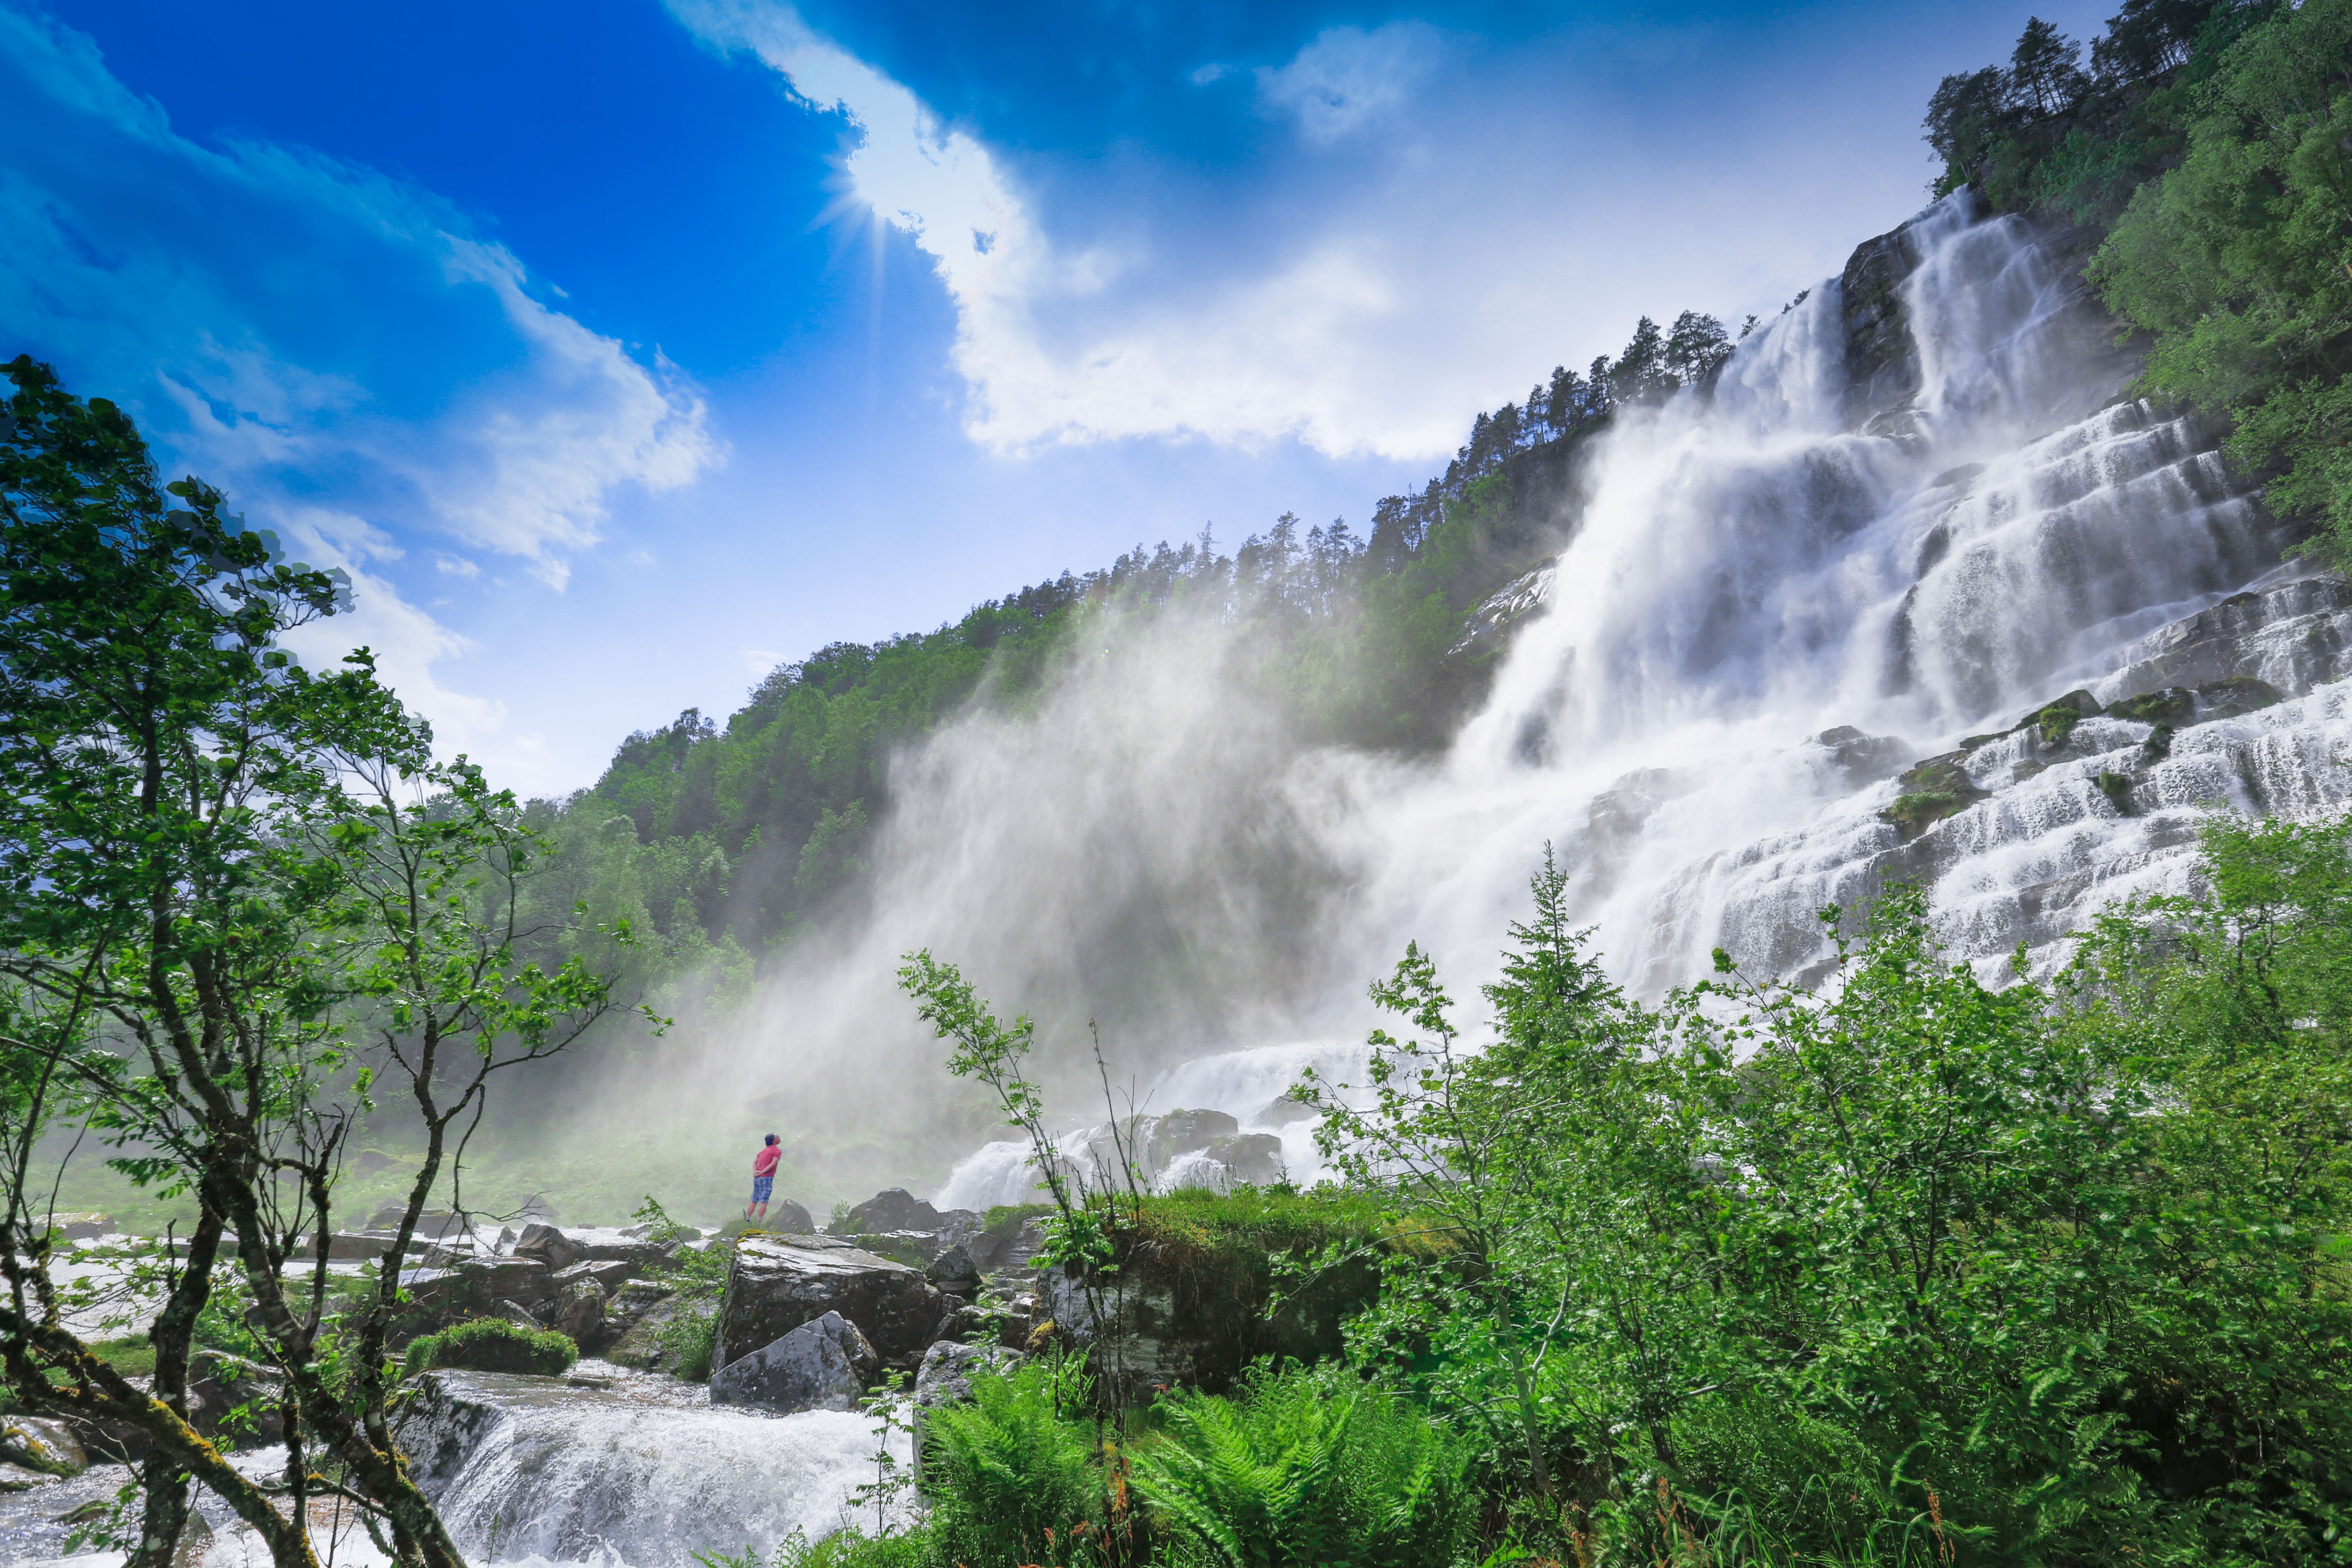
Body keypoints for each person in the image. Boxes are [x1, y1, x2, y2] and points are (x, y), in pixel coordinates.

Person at [747, 1133, 782, 1223]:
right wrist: (763, 1172)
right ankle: (760, 1221)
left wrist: (756, 1172)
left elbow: (755, 1162)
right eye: (778, 1137)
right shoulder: (777, 1151)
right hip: (767, 1177)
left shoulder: (763, 1151)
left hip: (757, 1178)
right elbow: (773, 1163)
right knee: (764, 1200)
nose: (780, 1138)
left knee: (754, 1199)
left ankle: (748, 1219)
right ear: (774, 1141)